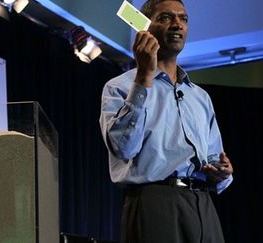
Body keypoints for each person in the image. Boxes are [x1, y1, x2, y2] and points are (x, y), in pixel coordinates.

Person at [99, 0, 234, 242]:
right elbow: (123, 148)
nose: (176, 25)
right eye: (165, 18)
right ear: (144, 27)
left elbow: (215, 156)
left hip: (203, 205)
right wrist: (143, 76)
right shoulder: (119, 87)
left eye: (183, 19)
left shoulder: (200, 97)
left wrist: (221, 172)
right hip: (154, 203)